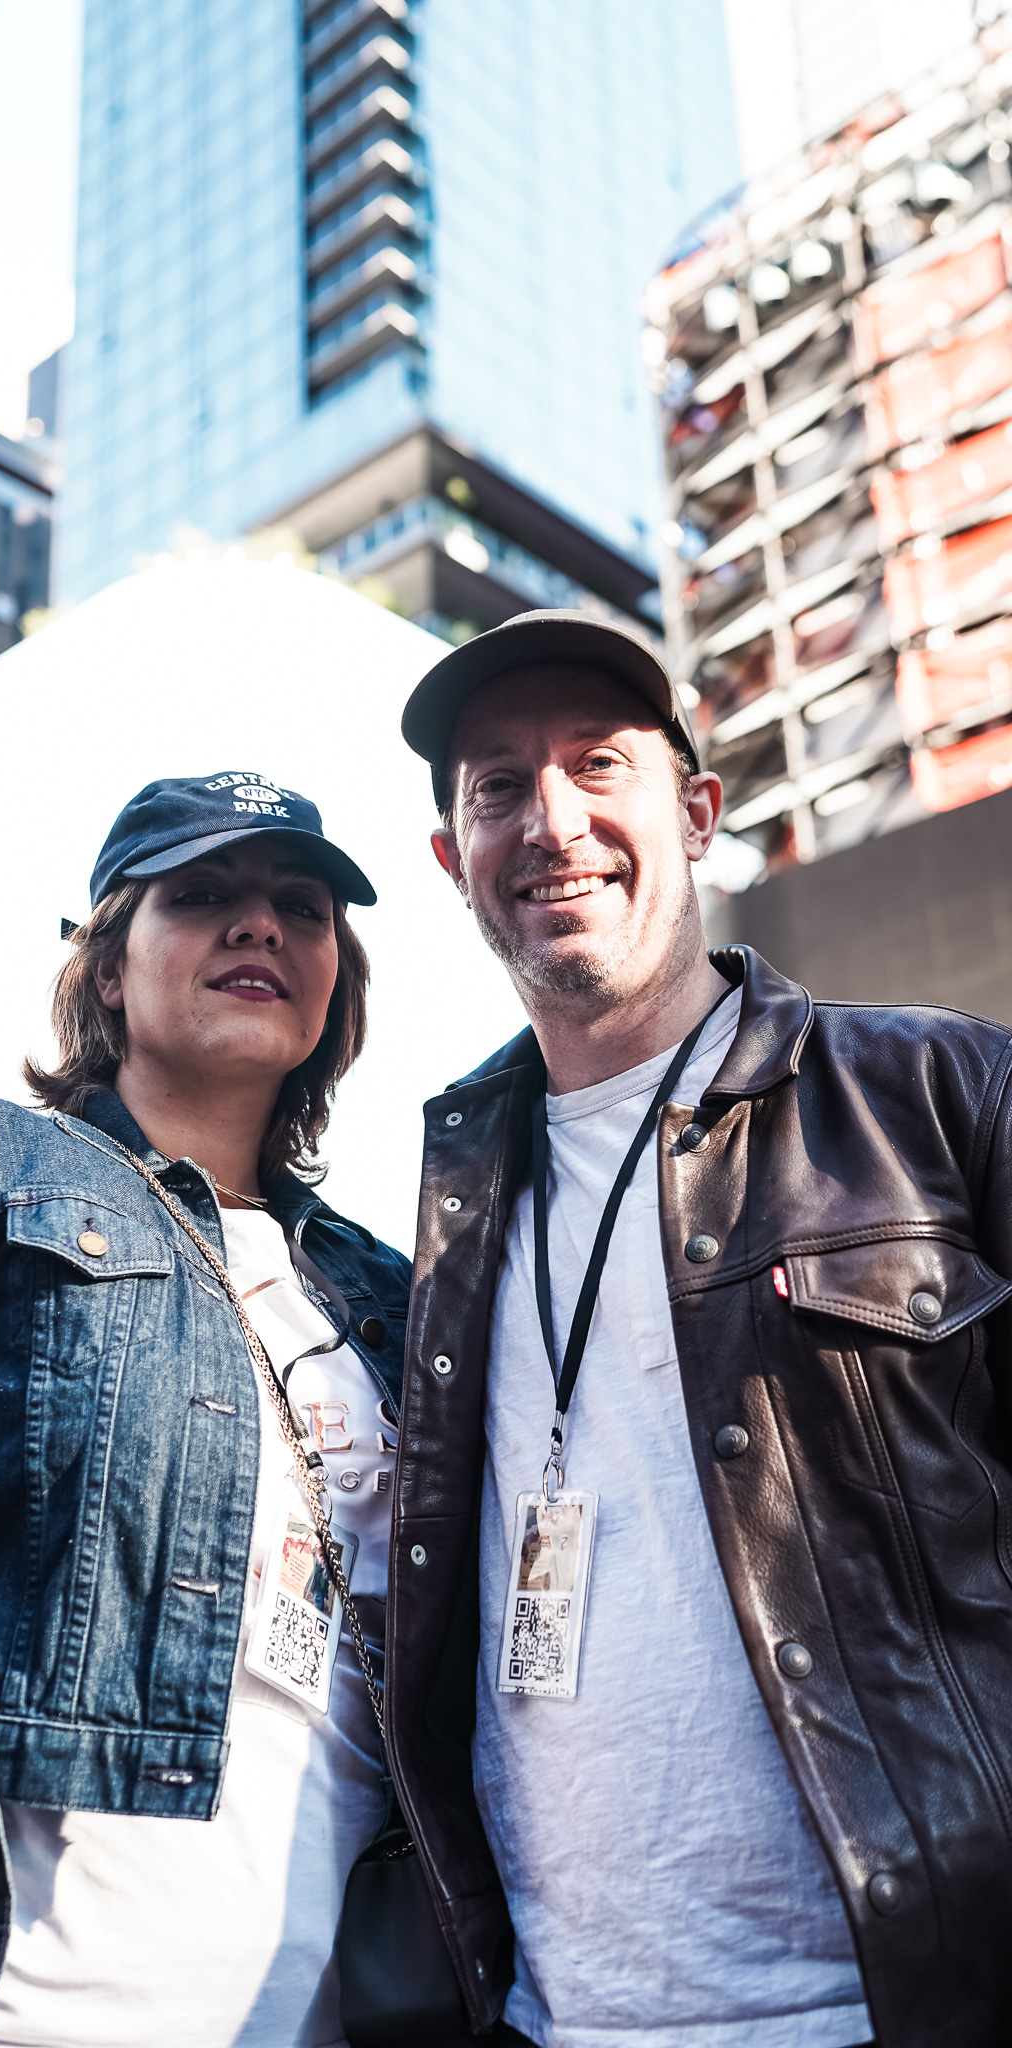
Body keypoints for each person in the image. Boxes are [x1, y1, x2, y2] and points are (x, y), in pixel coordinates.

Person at [383, 609, 1012, 2048]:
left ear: (699, 810)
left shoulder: (939, 1096)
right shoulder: (448, 1221)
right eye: (497, 787)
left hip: (897, 2006)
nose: (552, 822)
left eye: (598, 765)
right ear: (450, 860)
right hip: (555, 2021)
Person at [0, 768, 410, 2048]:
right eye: (202, 894)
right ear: (109, 967)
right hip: (28, 2008)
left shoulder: (395, 1290)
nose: (259, 923)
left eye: (300, 903)